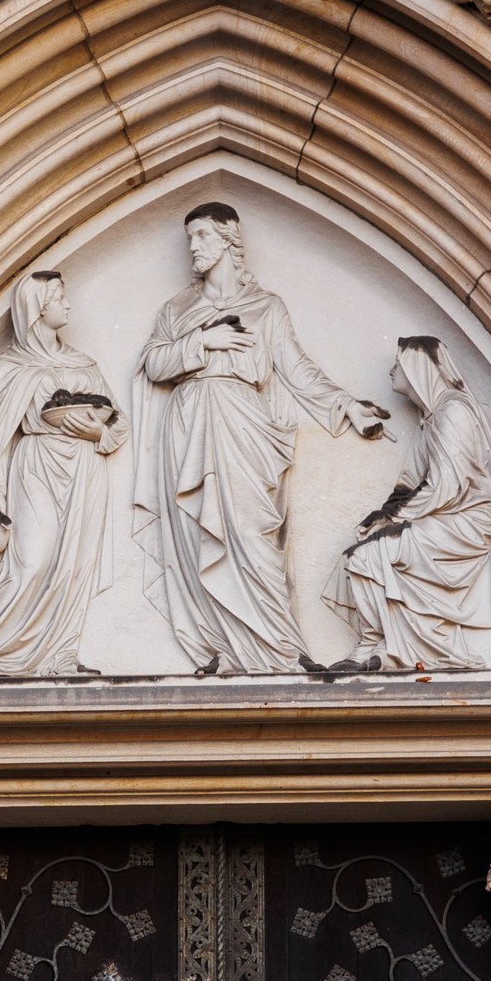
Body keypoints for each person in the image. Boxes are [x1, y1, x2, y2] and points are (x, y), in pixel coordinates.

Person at [132, 201, 386, 674]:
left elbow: (296, 368)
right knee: (197, 534)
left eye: (203, 236)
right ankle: (222, 648)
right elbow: (154, 364)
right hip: (190, 424)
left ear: (230, 237)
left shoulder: (265, 306)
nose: (193, 247)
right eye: (190, 238)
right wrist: (202, 342)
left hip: (242, 419)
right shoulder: (178, 309)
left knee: (249, 531)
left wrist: (346, 404)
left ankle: (280, 649)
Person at [327, 335, 491, 670]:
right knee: (360, 555)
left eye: (399, 364)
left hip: (471, 520)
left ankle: (386, 645)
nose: (392, 371)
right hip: (443, 513)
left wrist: (395, 519)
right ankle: (374, 643)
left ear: (420, 369)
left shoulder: (453, 412)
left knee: (370, 555)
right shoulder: (431, 418)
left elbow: (447, 485)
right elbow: (410, 481)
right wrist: (383, 516)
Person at [0, 268, 121, 679]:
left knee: (72, 565)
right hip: (36, 463)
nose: (67, 304)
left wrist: (98, 431)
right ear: (37, 308)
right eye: (58, 297)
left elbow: (118, 424)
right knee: (32, 557)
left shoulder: (85, 364)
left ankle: (60, 656)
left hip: (84, 468)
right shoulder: (14, 366)